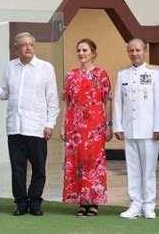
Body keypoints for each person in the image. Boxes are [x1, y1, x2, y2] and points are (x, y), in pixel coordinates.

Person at [0, 32, 59, 216]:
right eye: (24, 45)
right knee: (18, 169)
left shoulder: (46, 68)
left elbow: (52, 100)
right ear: (16, 48)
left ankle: (35, 202)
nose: (28, 48)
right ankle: (21, 203)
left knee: (38, 168)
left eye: (31, 44)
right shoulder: (10, 67)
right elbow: (6, 93)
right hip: (15, 126)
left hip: (37, 127)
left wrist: (50, 124)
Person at [113, 38, 159, 219]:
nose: (134, 54)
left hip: (149, 129)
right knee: (133, 168)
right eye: (131, 50)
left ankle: (149, 205)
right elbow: (119, 102)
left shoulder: (155, 72)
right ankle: (135, 204)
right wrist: (118, 125)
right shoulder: (123, 74)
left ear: (145, 51)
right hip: (130, 128)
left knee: (149, 169)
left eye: (138, 50)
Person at [59, 38, 112, 216]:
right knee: (77, 162)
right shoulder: (70, 75)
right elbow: (66, 101)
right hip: (74, 125)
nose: (81, 53)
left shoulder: (101, 74)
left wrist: (109, 125)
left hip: (95, 126)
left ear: (93, 53)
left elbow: (107, 101)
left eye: (85, 50)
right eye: (79, 50)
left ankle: (93, 201)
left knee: (93, 163)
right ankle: (81, 201)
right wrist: (63, 125)